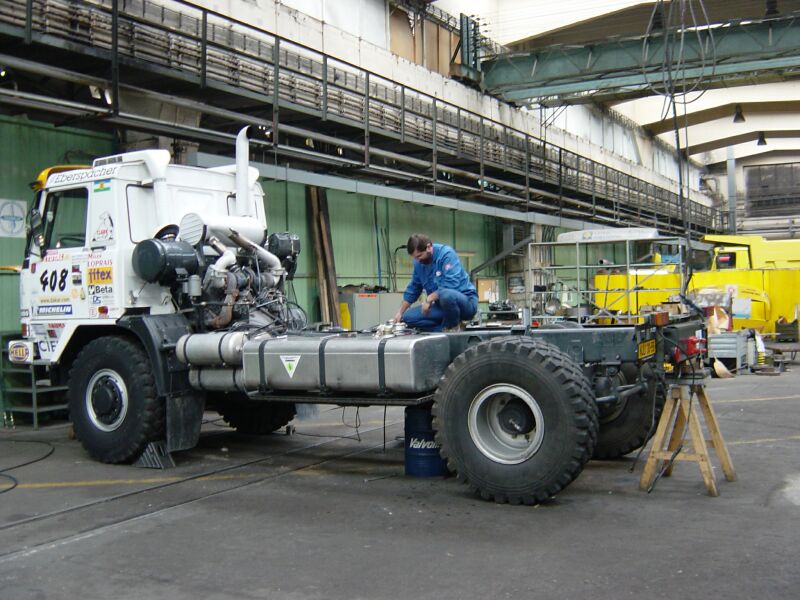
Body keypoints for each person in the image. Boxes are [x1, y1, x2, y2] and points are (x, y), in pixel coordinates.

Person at [393, 233, 478, 332]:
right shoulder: (418, 263)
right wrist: (399, 312)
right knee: (407, 318)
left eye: (419, 256)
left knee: (446, 295)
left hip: (465, 303)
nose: (417, 260)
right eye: (415, 258)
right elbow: (413, 289)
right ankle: (443, 330)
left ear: (428, 247)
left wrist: (429, 299)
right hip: (441, 306)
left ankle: (453, 327)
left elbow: (451, 285)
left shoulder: (446, 254)